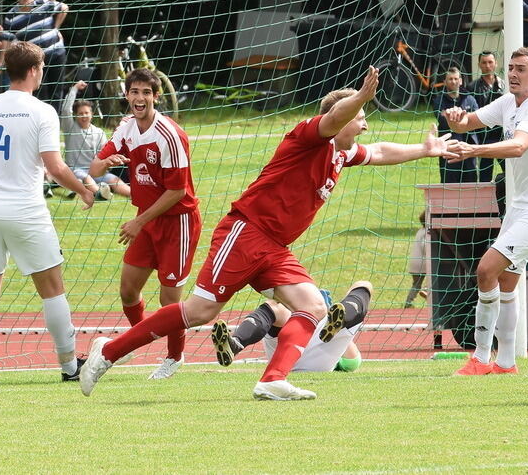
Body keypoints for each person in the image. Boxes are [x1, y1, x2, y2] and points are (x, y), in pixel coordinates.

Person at [80, 66, 457, 401]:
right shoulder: (310, 135)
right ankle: (109, 351)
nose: (364, 124)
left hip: (274, 247)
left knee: (313, 306)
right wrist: (359, 96)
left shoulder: (342, 153)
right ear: (339, 119)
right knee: (199, 311)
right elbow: (335, 118)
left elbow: (379, 151)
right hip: (245, 232)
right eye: (360, 117)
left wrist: (425, 149)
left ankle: (273, 380)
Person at [0, 41, 95, 384]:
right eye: (42, 67)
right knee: (52, 288)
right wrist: (83, 189)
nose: (42, 73)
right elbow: (56, 167)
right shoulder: (42, 110)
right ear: (33, 71)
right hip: (26, 211)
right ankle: (69, 364)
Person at [444, 47, 528, 376]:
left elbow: (518, 146)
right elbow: (469, 121)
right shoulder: (508, 101)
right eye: (510, 67)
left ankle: (481, 358)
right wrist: (458, 119)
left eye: (521, 69)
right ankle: (506, 363)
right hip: (522, 206)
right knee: (507, 282)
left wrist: (475, 148)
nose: (512, 74)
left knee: (486, 270)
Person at [88, 68, 201, 379]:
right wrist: (104, 163)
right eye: (134, 92)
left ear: (156, 97)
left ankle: (175, 357)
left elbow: (177, 191)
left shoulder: (171, 135)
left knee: (169, 300)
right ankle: (141, 337)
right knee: (128, 291)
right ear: (127, 95)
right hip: (147, 222)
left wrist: (138, 221)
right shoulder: (126, 128)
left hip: (177, 223)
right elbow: (95, 165)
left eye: (146, 93)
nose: (139, 98)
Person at [211, 281, 372, 373]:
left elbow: (351, 363)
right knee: (364, 284)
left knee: (275, 308)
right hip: (321, 355)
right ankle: (345, 316)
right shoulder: (335, 343)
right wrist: (332, 315)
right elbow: (352, 362)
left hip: (283, 351)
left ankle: (237, 342)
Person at [0, 0, 69, 108]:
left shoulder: (44, 4)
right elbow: (6, 41)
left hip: (57, 53)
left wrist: (56, 28)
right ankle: (40, 121)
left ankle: (56, 122)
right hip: (35, 59)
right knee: (40, 91)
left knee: (57, 89)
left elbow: (64, 8)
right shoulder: (10, 16)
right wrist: (1, 61)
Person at [61, 80, 129, 200]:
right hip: (75, 170)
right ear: (76, 115)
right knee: (85, 178)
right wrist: (75, 88)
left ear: (92, 114)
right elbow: (66, 109)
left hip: (95, 171)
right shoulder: (70, 127)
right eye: (80, 113)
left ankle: (134, 194)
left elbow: (103, 155)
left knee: (114, 179)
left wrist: (104, 166)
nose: (84, 116)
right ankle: (100, 194)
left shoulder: (99, 132)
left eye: (86, 113)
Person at [433, 67, 478, 183]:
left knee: (471, 186)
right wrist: (464, 118)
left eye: (456, 78)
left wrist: (453, 116)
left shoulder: (470, 99)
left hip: (469, 148)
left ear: (461, 81)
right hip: (448, 149)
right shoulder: (439, 100)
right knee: (449, 186)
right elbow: (443, 120)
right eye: (450, 79)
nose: (453, 81)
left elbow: (476, 120)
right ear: (444, 82)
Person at [468, 51, 507, 182]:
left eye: (490, 62)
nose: (487, 65)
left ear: (496, 63)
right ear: (479, 64)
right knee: (485, 176)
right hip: (483, 137)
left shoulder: (504, 86)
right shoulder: (472, 87)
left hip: (503, 136)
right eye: (484, 62)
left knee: (510, 171)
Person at [405, 211, 429, 307]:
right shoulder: (427, 232)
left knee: (416, 284)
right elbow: (424, 246)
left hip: (414, 262)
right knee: (434, 278)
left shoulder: (420, 231)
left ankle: (408, 302)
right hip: (422, 262)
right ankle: (426, 289)